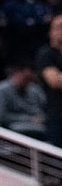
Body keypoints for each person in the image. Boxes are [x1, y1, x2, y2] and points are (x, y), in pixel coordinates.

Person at [0, 60, 47, 139]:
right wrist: (29, 119)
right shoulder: (1, 89)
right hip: (9, 129)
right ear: (16, 73)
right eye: (25, 78)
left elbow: (46, 108)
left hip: (39, 127)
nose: (28, 82)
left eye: (30, 78)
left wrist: (42, 118)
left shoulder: (34, 89)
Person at [36, 13, 61, 147]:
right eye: (59, 27)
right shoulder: (46, 54)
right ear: (51, 32)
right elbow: (55, 81)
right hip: (57, 113)